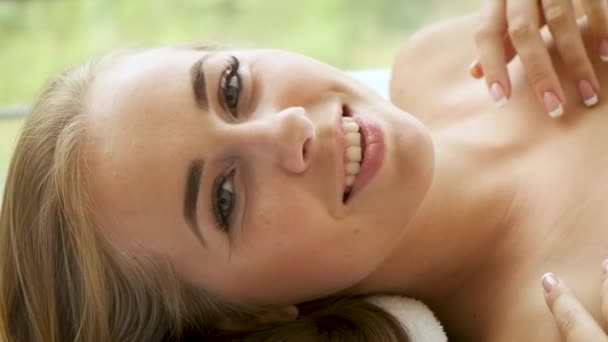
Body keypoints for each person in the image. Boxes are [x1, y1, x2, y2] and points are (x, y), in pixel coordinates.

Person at [2, 0, 608, 340]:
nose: (287, 129)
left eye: (230, 87)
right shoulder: (553, 328)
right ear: (245, 314)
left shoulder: (452, 57)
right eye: (224, 198)